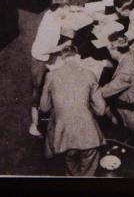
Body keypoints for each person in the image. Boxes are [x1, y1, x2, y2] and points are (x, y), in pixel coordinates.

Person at [38, 44, 107, 176]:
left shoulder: (51, 76)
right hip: (88, 135)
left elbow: (45, 107)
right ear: (78, 57)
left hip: (63, 135)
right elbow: (101, 110)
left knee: (70, 166)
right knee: (88, 171)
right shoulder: (89, 74)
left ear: (62, 59)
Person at [28, 0, 73, 136]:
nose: (69, 10)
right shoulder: (48, 28)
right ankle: (35, 124)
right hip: (40, 58)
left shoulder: (52, 14)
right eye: (67, 8)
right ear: (60, 8)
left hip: (46, 54)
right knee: (38, 90)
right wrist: (63, 46)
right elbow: (46, 49)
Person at [101, 33, 134, 139]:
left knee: (101, 104)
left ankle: (120, 131)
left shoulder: (125, 73)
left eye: (109, 49)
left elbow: (104, 93)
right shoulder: (133, 51)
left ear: (114, 50)